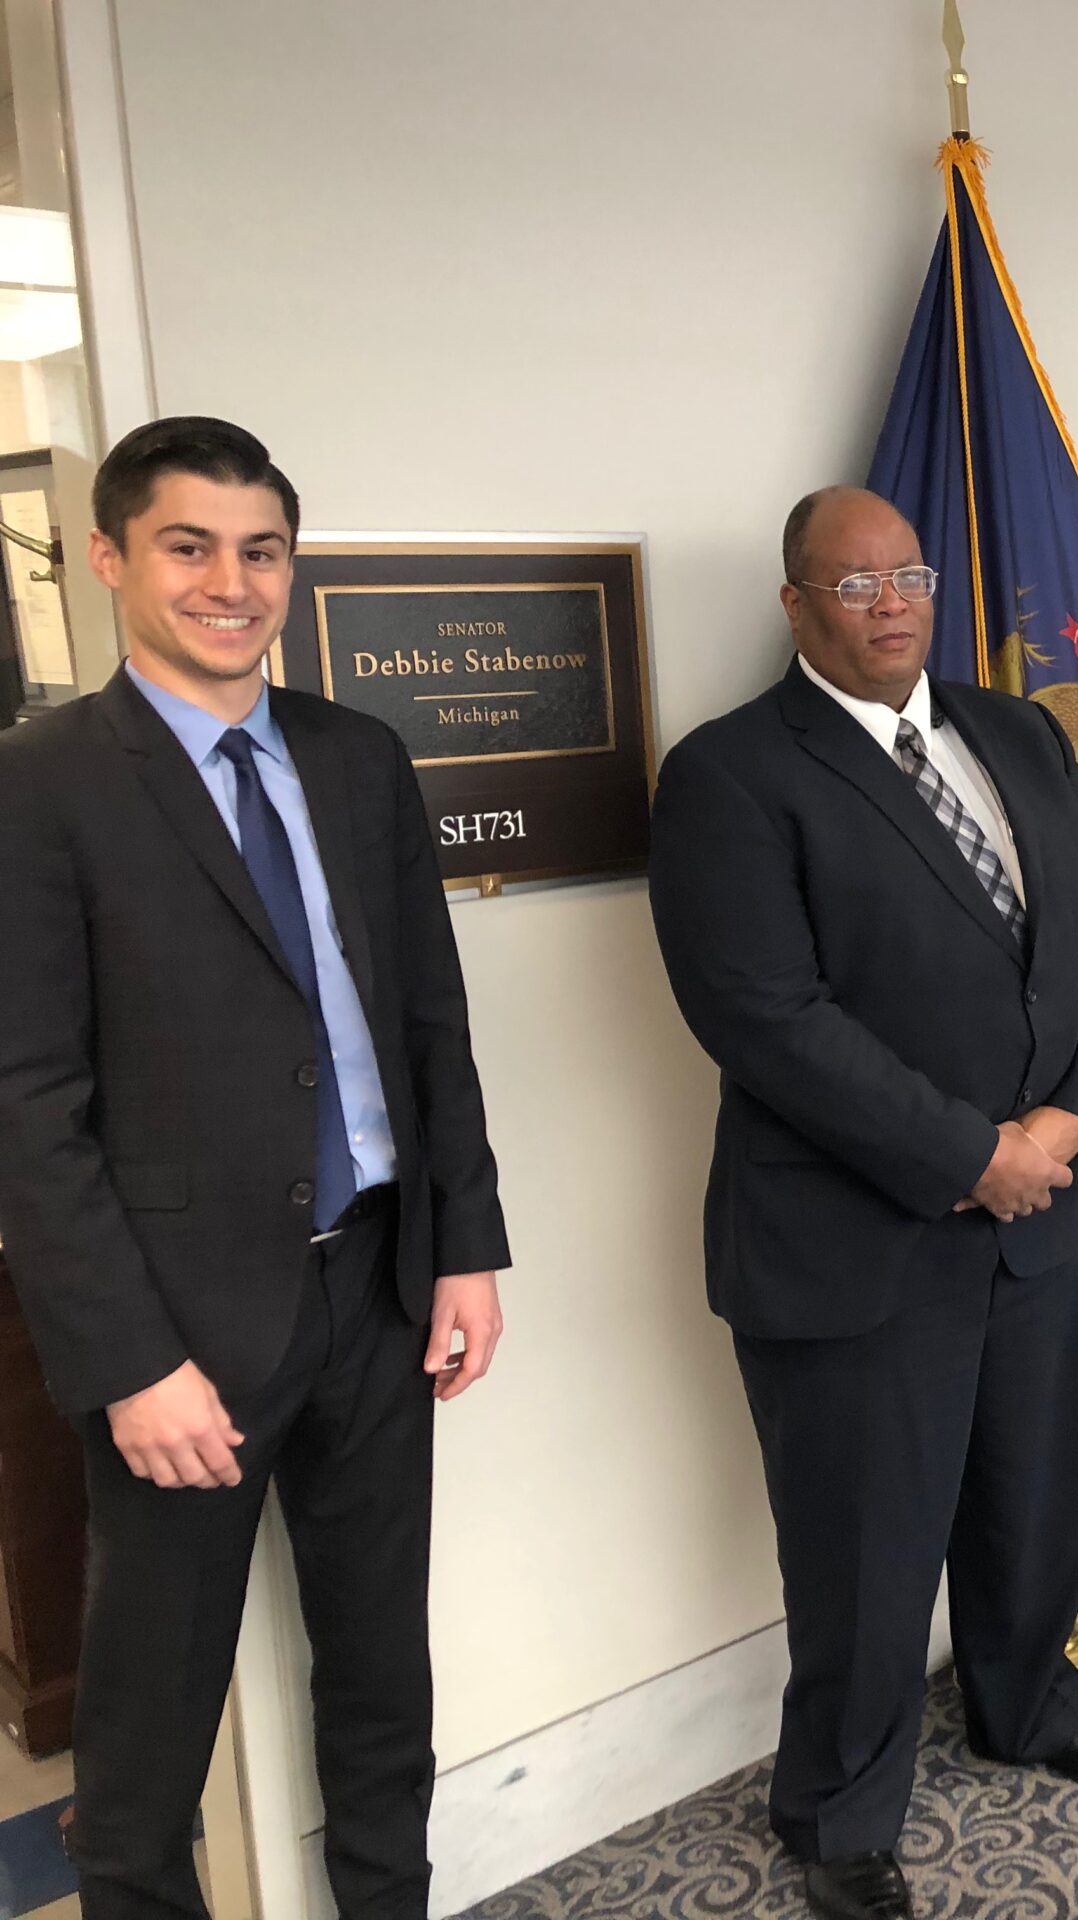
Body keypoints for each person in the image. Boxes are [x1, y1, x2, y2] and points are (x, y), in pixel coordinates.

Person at [0, 416, 510, 1918]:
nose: (232, 582)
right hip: (178, 1333)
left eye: (261, 549)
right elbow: (24, 1101)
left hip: (376, 1290)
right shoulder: (41, 783)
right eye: (189, 545)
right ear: (108, 560)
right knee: (150, 1735)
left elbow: (432, 1020)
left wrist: (465, 1246)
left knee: (379, 1679)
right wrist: (125, 1361)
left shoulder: (359, 756)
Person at [647, 487, 1078, 1920]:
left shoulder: (1015, 734)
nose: (890, 602)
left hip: (1034, 1216)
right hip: (856, 1238)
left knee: (1034, 1506)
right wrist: (968, 1152)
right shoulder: (732, 773)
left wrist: (1063, 1122)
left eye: (909, 575)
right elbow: (763, 1015)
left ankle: (1031, 1711)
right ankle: (839, 1812)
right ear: (797, 604)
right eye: (854, 581)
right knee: (866, 1550)